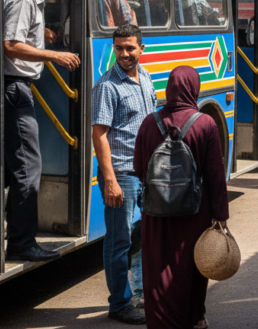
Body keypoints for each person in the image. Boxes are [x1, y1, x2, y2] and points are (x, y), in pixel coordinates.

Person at [134, 67, 228, 329]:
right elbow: (215, 175)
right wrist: (220, 215)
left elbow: (139, 168)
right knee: (192, 265)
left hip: (156, 214)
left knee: (157, 267)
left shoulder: (148, 123)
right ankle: (194, 317)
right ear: (193, 88)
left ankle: (160, 321)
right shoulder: (206, 123)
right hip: (194, 214)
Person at [3, 0, 80, 262]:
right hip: (15, 88)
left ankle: (17, 234)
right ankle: (22, 243)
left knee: (21, 167)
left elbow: (19, 38)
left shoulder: (30, 0)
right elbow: (10, 45)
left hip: (21, 87)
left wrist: (41, 38)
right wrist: (53, 55)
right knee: (28, 169)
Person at [92, 25, 156, 324]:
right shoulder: (108, 86)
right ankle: (119, 303)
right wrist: (110, 180)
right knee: (118, 242)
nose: (125, 54)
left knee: (142, 235)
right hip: (122, 174)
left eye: (130, 48)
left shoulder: (145, 78)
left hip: (144, 173)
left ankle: (141, 291)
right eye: (119, 48)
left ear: (142, 48)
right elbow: (100, 135)